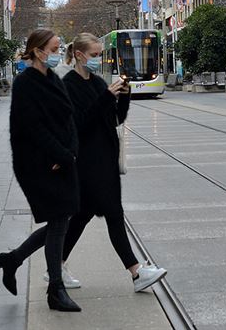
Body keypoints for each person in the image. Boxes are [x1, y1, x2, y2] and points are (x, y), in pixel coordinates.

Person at [60, 33, 167, 292]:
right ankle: (136, 272)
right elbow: (79, 125)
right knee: (114, 214)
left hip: (106, 158)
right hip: (88, 161)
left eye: (99, 55)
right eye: (94, 55)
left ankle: (55, 265)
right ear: (79, 55)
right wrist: (107, 97)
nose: (98, 60)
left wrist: (125, 97)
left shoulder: (98, 83)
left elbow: (115, 119)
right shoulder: (68, 85)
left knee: (81, 216)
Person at [0, 29, 82, 312]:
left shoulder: (53, 78)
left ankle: (13, 260)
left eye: (59, 48)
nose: (58, 53)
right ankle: (55, 289)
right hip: (37, 164)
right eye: (54, 49)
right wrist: (60, 154)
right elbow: (32, 127)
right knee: (58, 220)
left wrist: (70, 151)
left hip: (62, 159)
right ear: (37, 50)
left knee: (62, 220)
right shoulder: (25, 83)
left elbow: (68, 117)